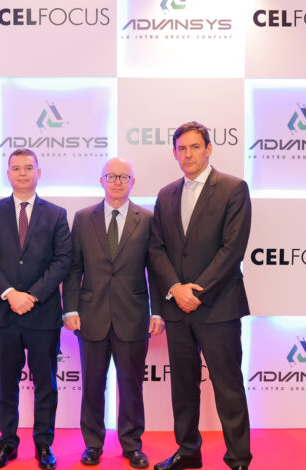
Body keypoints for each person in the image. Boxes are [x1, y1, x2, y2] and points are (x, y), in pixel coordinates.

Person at [149, 122, 253, 470]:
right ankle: (188, 451)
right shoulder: (166, 194)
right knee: (183, 386)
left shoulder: (233, 188)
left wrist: (198, 291)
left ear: (208, 149)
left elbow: (232, 249)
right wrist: (175, 289)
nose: (188, 154)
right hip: (177, 308)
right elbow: (157, 249)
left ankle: (238, 458)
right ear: (174, 153)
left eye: (195, 147)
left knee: (228, 387)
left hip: (218, 307)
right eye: (181, 148)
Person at [63, 158, 164, 468]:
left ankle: (132, 445)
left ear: (133, 182)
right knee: (92, 386)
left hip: (133, 316)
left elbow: (156, 270)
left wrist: (157, 312)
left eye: (124, 177)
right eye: (111, 176)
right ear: (101, 180)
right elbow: (73, 268)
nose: (117, 181)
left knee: (131, 386)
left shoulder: (148, 219)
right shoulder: (83, 218)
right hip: (90, 316)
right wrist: (70, 308)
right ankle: (92, 444)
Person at [0, 148, 72, 470]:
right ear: (8, 174)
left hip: (42, 313)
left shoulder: (56, 214)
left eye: (28, 167)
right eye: (16, 168)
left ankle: (44, 445)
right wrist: (9, 294)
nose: (22, 173)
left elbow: (62, 260)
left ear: (39, 173)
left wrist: (31, 296)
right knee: (5, 384)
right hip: (1, 312)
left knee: (46, 384)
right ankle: (7, 444)